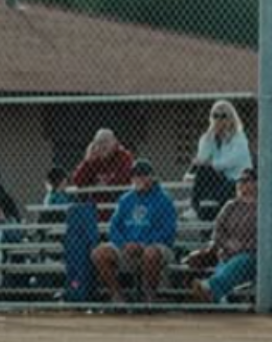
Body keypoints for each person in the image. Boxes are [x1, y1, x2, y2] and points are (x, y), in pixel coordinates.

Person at [93, 159, 177, 304]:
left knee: (150, 253)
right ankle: (117, 296)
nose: (138, 179)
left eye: (143, 175)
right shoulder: (126, 199)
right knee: (99, 253)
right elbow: (114, 227)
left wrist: (143, 244)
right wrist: (123, 244)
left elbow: (168, 231)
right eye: (135, 176)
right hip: (127, 247)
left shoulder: (164, 199)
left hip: (156, 247)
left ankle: (149, 297)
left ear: (152, 177)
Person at [188, 167, 259, 304]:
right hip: (227, 252)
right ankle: (218, 298)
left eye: (246, 180)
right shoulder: (231, 205)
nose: (241, 184)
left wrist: (242, 247)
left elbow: (262, 237)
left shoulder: (262, 206)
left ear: (256, 183)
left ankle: (209, 287)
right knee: (225, 264)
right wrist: (227, 245)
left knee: (240, 261)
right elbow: (218, 231)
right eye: (239, 181)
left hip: (251, 255)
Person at [190, 100, 252, 221]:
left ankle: (204, 210)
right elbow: (202, 158)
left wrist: (211, 164)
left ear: (231, 118)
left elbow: (231, 161)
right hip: (218, 179)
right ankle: (195, 207)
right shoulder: (209, 138)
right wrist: (210, 138)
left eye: (223, 116)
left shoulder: (239, 137)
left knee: (213, 198)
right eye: (215, 115)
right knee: (203, 172)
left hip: (235, 179)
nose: (219, 119)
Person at [69, 130, 135, 190]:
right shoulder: (93, 158)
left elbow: (123, 180)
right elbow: (77, 181)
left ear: (115, 142)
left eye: (106, 141)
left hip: (118, 196)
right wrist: (87, 161)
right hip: (95, 199)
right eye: (99, 142)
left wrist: (102, 185)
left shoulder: (124, 156)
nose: (103, 145)